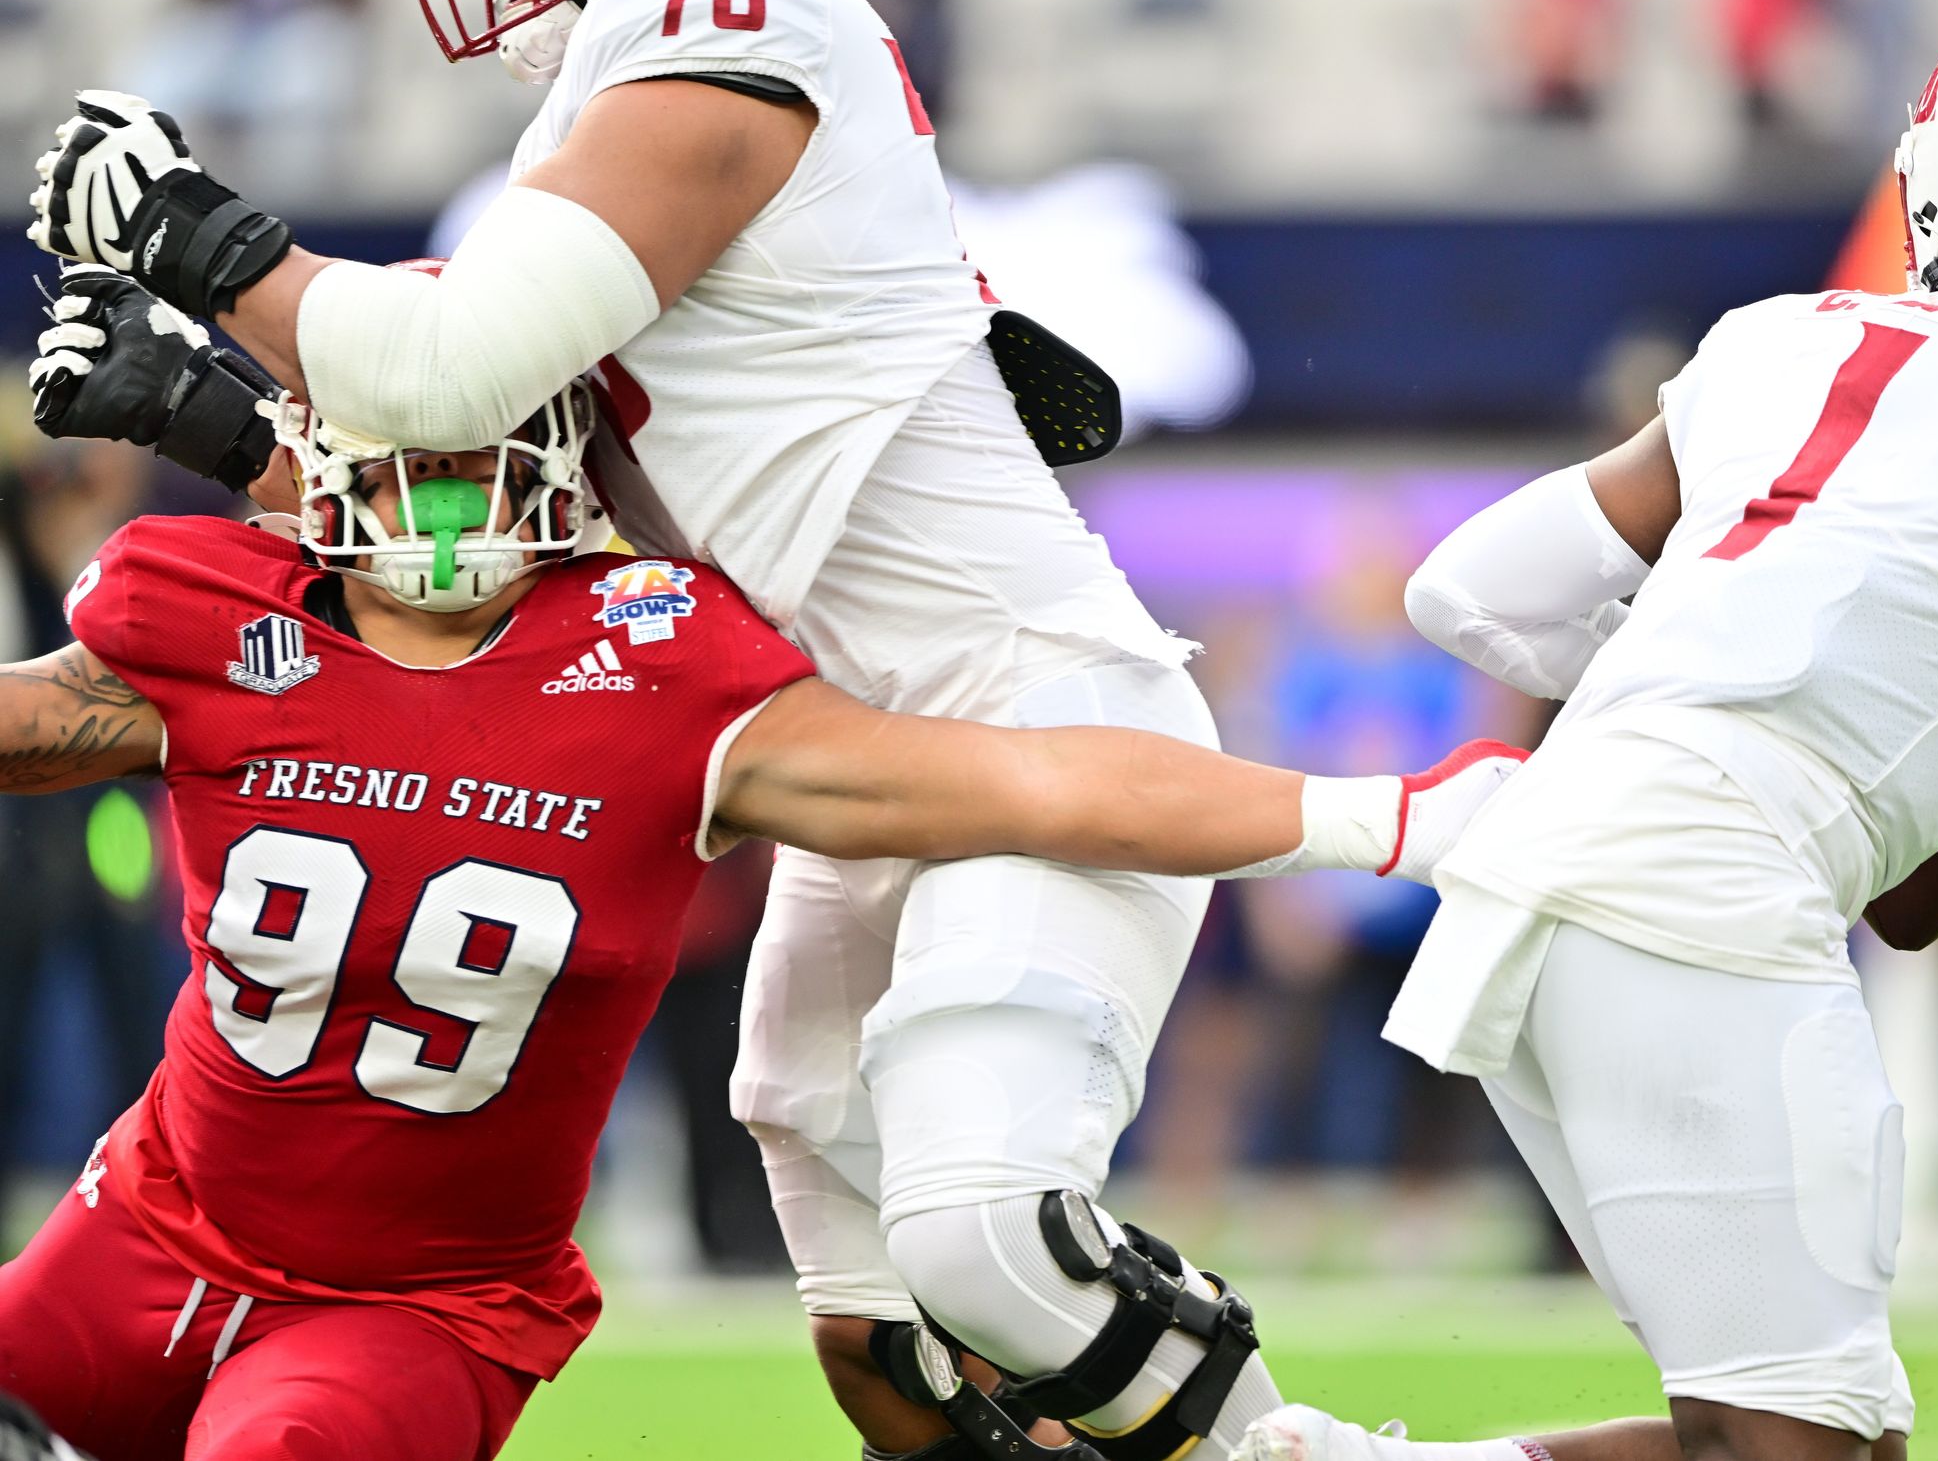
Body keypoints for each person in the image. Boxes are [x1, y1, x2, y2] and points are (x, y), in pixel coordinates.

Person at [25, 0, 1314, 1455]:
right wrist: (222, 425)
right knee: (878, 1353)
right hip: (860, 742)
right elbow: (503, 499)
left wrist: (194, 240)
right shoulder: (632, 63)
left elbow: (446, 374)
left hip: (1020, 712)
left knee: (989, 1248)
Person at [0, 271, 1523, 1461]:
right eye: (411, 456)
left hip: (416, 1306)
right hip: (142, 1222)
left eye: (485, 449)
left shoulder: (655, 663)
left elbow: (1030, 774)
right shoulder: (214, 624)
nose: (450, 501)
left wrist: (1376, 817)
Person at [1238, 0, 1938, 1461]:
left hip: (1550, 882)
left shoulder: (1783, 338)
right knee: (1797, 1446)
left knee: (1802, 1441)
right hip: (1704, 909)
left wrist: (1705, 668)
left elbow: (1469, 591)